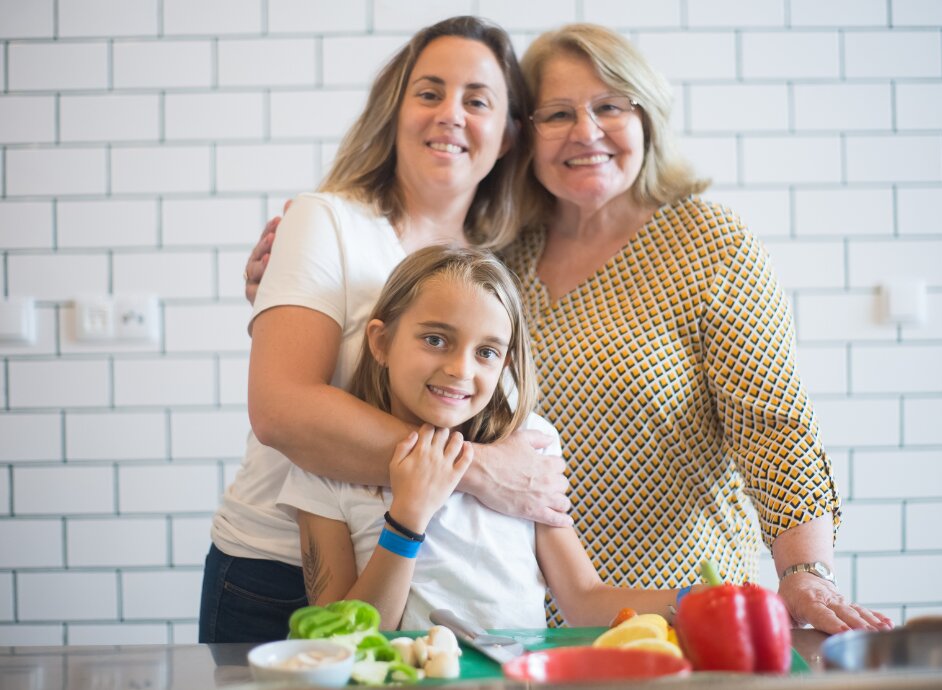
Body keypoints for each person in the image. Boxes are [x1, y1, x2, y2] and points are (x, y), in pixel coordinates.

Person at [244, 22, 893, 635]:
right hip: (520, 621)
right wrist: (286, 284)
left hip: (670, 605)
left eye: (612, 105)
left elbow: (774, 423)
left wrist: (803, 573)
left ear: (646, 118)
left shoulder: (709, 245)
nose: (585, 130)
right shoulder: (504, 253)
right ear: (527, 138)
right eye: (557, 114)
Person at [199, 16, 570, 644]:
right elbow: (281, 411)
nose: (450, 113)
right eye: (428, 93)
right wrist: (478, 470)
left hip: (421, 591)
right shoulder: (326, 222)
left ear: (508, 137)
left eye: (476, 101)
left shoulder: (495, 267)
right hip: (278, 571)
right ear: (394, 111)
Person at [278, 246, 692, 630]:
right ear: (381, 342)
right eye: (435, 340)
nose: (460, 369)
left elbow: (585, 601)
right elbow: (339, 638)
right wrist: (407, 520)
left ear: (505, 364)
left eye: (486, 352)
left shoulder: (531, 449)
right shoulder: (324, 467)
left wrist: (698, 601)